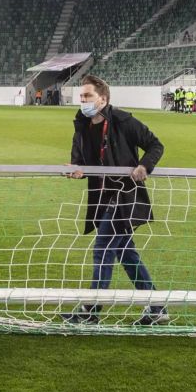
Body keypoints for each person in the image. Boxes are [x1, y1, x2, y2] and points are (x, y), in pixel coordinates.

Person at [64, 75, 168, 326]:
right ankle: (157, 307)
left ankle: (91, 310)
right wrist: (76, 169)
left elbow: (155, 145)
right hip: (101, 199)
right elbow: (79, 161)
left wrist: (145, 165)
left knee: (102, 250)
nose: (83, 101)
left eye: (87, 96)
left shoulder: (124, 121)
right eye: (81, 97)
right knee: (126, 253)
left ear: (103, 99)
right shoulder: (81, 126)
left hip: (124, 197)